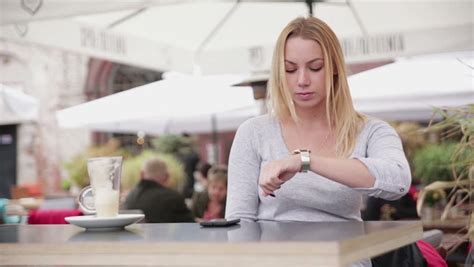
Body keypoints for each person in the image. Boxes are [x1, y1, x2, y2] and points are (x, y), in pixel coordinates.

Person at [226, 16, 411, 224]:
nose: (302, 80)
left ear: (334, 68)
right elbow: (239, 221)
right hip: (274, 254)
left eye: (315, 67)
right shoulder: (254, 132)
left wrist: (305, 161)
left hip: (344, 254)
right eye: (290, 69)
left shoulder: (370, 131)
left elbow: (398, 181)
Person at [123, 157, 194, 223]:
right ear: (167, 177)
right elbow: (190, 226)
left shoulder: (129, 197)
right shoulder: (172, 197)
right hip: (160, 236)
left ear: (141, 174)